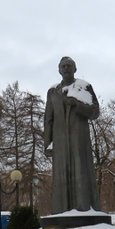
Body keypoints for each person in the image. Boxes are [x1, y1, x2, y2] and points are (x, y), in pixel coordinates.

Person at [43, 56, 101, 214]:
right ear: (59, 70)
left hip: (79, 139)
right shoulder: (52, 92)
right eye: (63, 66)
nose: (66, 68)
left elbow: (95, 112)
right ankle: (62, 211)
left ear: (75, 69)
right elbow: (48, 119)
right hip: (60, 141)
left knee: (81, 170)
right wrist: (47, 143)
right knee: (61, 176)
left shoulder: (84, 87)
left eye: (70, 65)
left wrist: (77, 104)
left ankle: (84, 209)